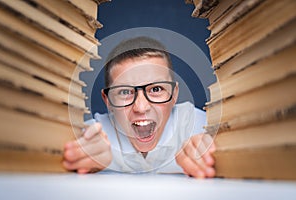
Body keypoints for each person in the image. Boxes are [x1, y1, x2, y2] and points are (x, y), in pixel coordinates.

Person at [63, 36, 216, 178]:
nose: (141, 108)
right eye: (124, 92)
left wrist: (213, 155)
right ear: (107, 100)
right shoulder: (93, 136)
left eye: (156, 89)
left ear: (174, 94)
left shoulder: (199, 125)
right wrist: (80, 162)